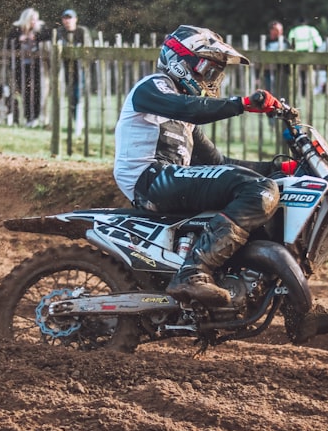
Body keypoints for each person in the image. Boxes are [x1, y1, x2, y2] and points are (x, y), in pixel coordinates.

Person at [113, 25, 286, 308]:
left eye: (216, 72)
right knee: (258, 190)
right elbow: (188, 107)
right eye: (207, 69)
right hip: (150, 178)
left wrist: (279, 168)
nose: (211, 78)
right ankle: (193, 272)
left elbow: (218, 164)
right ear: (180, 60)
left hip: (168, 177)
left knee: (264, 185)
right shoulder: (153, 87)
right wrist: (241, 103)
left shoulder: (184, 115)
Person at [52, 9, 91, 136]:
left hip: (80, 67)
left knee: (78, 94)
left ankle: (79, 123)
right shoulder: (60, 32)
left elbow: (87, 49)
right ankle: (76, 121)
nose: (67, 21)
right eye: (65, 18)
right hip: (67, 68)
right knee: (72, 96)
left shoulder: (82, 31)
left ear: (75, 19)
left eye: (70, 18)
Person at [8, 8, 44, 127]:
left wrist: (36, 38)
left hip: (36, 66)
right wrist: (19, 40)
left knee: (37, 91)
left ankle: (36, 117)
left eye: (36, 19)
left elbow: (46, 42)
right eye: (32, 19)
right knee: (25, 92)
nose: (34, 21)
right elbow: (8, 46)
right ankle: (29, 118)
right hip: (21, 66)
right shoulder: (16, 31)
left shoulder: (39, 30)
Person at [287, 18, 322, 96]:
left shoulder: (293, 31)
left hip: (297, 57)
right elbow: (319, 43)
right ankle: (309, 92)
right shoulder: (311, 30)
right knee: (310, 75)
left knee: (297, 76)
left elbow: (290, 44)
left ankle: (298, 92)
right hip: (309, 56)